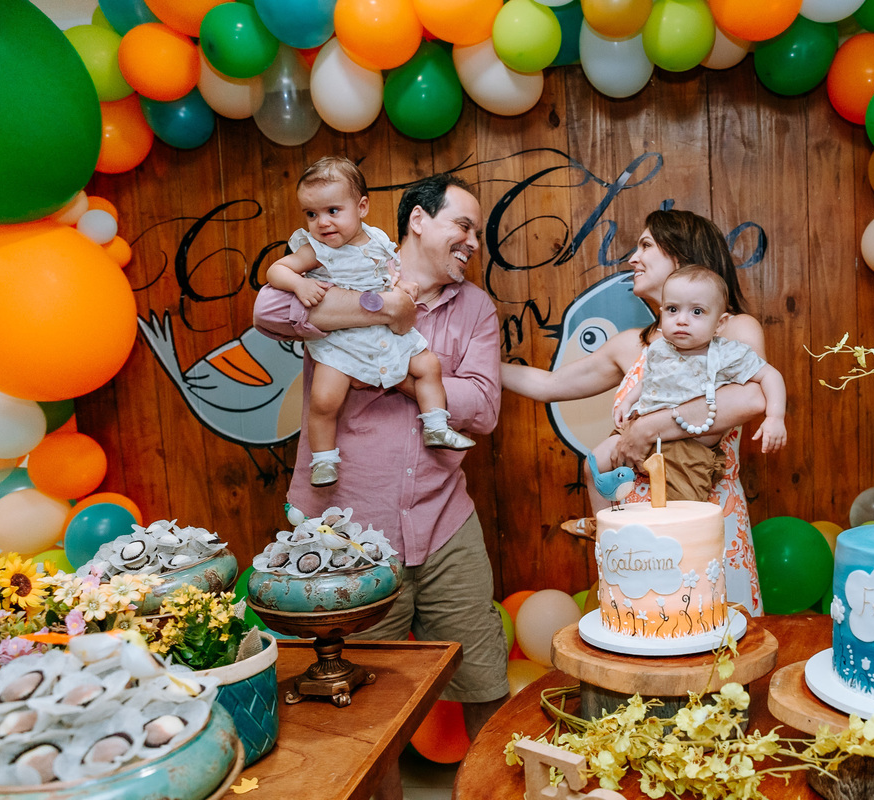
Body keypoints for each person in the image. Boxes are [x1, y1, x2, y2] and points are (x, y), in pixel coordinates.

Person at [254, 173, 509, 755]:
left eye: (477, 232)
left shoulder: (475, 308)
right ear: (418, 220)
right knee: (355, 708)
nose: (473, 241)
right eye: (463, 225)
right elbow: (268, 305)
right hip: (346, 533)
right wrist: (378, 310)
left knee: (484, 683)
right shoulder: (347, 259)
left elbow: (483, 407)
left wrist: (391, 370)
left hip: (445, 527)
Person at [502, 209, 770, 615]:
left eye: (646, 245)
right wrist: (471, 364)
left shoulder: (732, 329)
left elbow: (750, 399)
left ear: (681, 255)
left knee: (712, 637)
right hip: (636, 530)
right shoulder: (633, 344)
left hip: (706, 513)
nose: (633, 258)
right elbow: (547, 385)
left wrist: (649, 428)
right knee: (647, 632)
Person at [265, 157, 473, 488]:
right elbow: (276, 270)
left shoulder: (377, 240)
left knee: (428, 365)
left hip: (381, 334)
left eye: (333, 211)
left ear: (361, 207)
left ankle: (436, 425)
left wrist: (401, 286)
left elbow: (387, 275)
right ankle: (323, 460)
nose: (322, 222)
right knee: (324, 399)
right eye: (311, 214)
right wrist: (299, 284)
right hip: (342, 342)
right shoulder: (317, 250)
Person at [588, 265, 787, 512]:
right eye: (673, 309)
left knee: (683, 507)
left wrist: (775, 416)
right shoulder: (660, 349)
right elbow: (650, 379)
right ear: (662, 313)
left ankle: (683, 533)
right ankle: (600, 524)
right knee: (595, 462)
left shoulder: (725, 354)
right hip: (640, 427)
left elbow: (769, 375)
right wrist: (628, 401)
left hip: (689, 447)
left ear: (719, 323)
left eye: (697, 312)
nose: (682, 319)